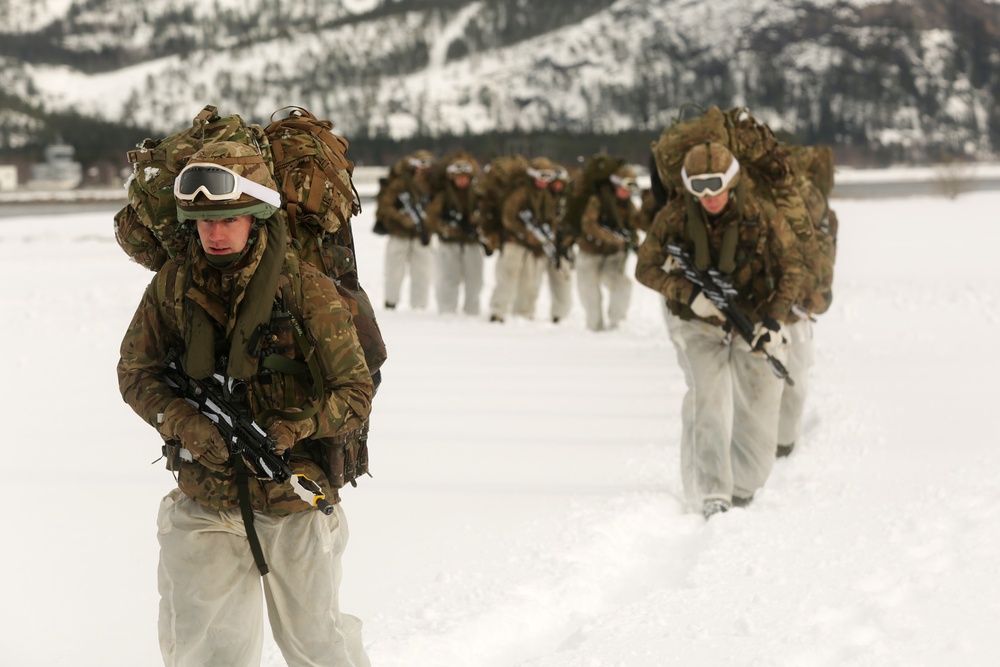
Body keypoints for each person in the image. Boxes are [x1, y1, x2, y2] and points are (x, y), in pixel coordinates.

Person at [117, 141, 374, 666]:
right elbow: (136, 372)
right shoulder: (173, 287)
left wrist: (297, 428)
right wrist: (183, 420)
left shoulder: (305, 290)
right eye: (204, 221)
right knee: (207, 650)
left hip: (294, 499)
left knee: (318, 647)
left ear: (256, 216)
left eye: (228, 219)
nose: (214, 233)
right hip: (205, 497)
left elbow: (355, 390)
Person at [635, 141, 806, 519]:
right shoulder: (675, 216)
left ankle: (744, 487)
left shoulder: (761, 212)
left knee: (759, 409)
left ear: (732, 181)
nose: (709, 196)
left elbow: (793, 267)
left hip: (754, 319)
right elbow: (645, 269)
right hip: (698, 323)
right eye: (699, 187)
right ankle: (709, 491)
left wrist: (774, 322)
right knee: (707, 398)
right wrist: (689, 294)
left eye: (716, 185)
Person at [487, 156, 560, 323]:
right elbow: (508, 217)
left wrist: (547, 236)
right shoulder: (521, 192)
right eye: (541, 176)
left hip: (535, 246)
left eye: (548, 177)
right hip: (514, 241)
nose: (544, 181)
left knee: (530, 282)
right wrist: (526, 233)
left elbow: (551, 218)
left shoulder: (547, 196)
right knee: (508, 276)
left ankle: (524, 314)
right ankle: (498, 311)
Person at [575, 164, 644, 332]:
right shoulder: (597, 200)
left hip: (613, 256)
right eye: (624, 186)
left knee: (622, 284)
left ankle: (617, 323)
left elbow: (633, 229)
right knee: (589, 290)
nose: (626, 192)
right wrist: (613, 239)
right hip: (590, 252)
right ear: (616, 184)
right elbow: (589, 225)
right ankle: (594, 327)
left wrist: (635, 245)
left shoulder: (630, 206)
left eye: (631, 188)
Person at [424, 152, 487, 315]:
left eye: (465, 176)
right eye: (458, 177)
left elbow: (487, 214)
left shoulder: (477, 193)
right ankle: (446, 312)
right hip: (449, 243)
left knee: (475, 280)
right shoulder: (444, 195)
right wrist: (446, 228)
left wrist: (476, 222)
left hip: (472, 243)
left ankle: (472, 312)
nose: (462, 180)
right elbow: (431, 216)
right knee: (448, 279)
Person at [376, 149, 435, 310]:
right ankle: (390, 303)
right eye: (421, 163)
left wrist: (428, 221)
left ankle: (419, 306)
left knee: (422, 273)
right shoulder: (401, 182)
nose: (424, 168)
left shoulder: (433, 184)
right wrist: (403, 218)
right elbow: (386, 204)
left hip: (422, 235)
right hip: (399, 234)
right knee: (393, 272)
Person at [546, 165, 575, 323]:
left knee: (563, 281)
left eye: (560, 183)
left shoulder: (569, 202)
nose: (557, 186)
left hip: (563, 247)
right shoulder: (542, 199)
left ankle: (560, 315)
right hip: (541, 245)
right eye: (553, 183)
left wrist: (565, 243)